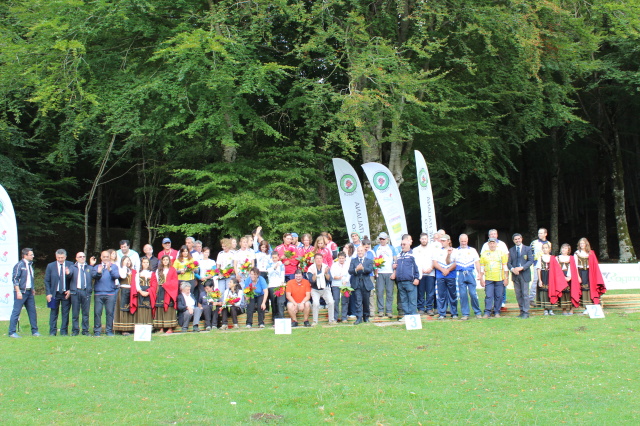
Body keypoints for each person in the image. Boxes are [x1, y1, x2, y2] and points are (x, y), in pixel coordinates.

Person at [8, 248, 40, 338]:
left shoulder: (30, 265)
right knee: (16, 311)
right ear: (25, 255)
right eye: (31, 255)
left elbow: (30, 278)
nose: (33, 256)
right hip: (21, 292)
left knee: (32, 311)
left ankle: (35, 331)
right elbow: (15, 279)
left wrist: (32, 288)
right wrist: (18, 291)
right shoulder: (19, 265)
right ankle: (12, 332)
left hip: (29, 292)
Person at [44, 249, 74, 336]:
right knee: (53, 312)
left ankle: (64, 331)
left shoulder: (70, 265)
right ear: (56, 257)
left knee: (65, 313)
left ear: (65, 257)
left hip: (65, 294)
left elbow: (73, 279)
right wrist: (48, 293)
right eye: (58, 257)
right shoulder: (50, 266)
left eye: (62, 257)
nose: (60, 259)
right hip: (54, 294)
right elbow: (47, 281)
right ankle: (52, 331)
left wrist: (70, 290)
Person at [573, 238, 606, 313]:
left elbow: (594, 265)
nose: (582, 245)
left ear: (586, 244)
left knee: (591, 288)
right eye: (580, 243)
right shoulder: (577, 253)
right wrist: (578, 276)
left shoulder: (590, 253)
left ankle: (592, 305)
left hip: (590, 272)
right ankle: (585, 306)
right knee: (584, 288)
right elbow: (575, 266)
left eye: (583, 243)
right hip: (581, 272)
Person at [391, 238, 420, 322]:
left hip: (410, 281)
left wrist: (417, 278)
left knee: (412, 299)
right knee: (403, 300)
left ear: (409, 244)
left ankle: (413, 315)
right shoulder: (399, 255)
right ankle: (406, 316)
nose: (402, 246)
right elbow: (396, 266)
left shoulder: (413, 255)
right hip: (400, 281)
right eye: (401, 244)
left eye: (404, 244)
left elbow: (418, 266)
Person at [69, 252, 97, 336]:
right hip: (75, 291)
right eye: (80, 257)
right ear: (76, 258)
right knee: (75, 313)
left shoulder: (89, 267)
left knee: (85, 313)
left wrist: (98, 272)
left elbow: (95, 276)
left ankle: (85, 330)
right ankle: (75, 330)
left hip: (86, 292)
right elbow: (68, 276)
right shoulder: (72, 267)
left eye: (83, 256)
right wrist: (67, 273)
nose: (82, 258)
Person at [93, 250, 120, 336]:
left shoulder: (114, 266)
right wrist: (99, 272)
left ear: (110, 257)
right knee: (97, 313)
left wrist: (110, 270)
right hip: (98, 293)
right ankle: (97, 331)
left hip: (110, 293)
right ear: (101, 257)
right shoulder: (97, 267)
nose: (105, 258)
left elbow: (116, 276)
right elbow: (93, 276)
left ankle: (109, 331)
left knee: (109, 313)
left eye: (107, 257)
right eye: (103, 257)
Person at [507, 233, 535, 319]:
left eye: (519, 239)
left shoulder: (528, 249)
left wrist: (522, 268)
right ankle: (521, 311)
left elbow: (530, 261)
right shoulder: (511, 250)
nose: (517, 240)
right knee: (518, 294)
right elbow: (508, 263)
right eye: (515, 239)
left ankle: (526, 312)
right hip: (515, 275)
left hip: (524, 274)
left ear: (521, 239)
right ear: (513, 241)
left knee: (525, 294)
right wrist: (513, 269)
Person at [479, 238, 508, 318]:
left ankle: (497, 312)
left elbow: (505, 267)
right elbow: (482, 267)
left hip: (499, 278)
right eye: (490, 243)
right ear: (488, 244)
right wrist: (481, 278)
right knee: (488, 295)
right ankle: (487, 312)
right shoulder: (484, 254)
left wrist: (506, 278)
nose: (492, 245)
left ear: (496, 244)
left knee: (499, 295)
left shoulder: (501, 253)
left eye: (493, 243)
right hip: (489, 278)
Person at [455, 234, 482, 320]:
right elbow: (450, 261)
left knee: (473, 293)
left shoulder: (472, 250)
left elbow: (477, 262)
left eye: (465, 241)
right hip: (460, 273)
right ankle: (465, 314)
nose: (463, 243)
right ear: (459, 241)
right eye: (462, 241)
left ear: (467, 241)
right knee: (463, 294)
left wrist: (479, 273)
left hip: (470, 273)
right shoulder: (455, 251)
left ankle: (477, 312)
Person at [151, 255, 179, 334]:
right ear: (162, 261)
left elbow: (175, 281)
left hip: (169, 291)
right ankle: (161, 327)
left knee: (169, 308)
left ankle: (170, 327)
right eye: (164, 260)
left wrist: (167, 285)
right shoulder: (158, 270)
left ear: (169, 261)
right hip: (161, 290)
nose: (165, 261)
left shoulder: (172, 270)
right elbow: (156, 281)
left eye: (167, 260)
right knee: (160, 307)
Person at [373, 232, 397, 319]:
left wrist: (394, 272)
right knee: (379, 291)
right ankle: (380, 310)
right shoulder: (376, 248)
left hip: (389, 272)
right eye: (381, 239)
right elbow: (374, 261)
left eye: (383, 239)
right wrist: (375, 272)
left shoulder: (391, 248)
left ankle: (389, 311)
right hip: (380, 273)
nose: (382, 240)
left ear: (387, 239)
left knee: (390, 292)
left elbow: (395, 261)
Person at [433, 235, 458, 320]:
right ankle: (442, 313)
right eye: (441, 241)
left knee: (452, 294)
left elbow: (456, 262)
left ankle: (454, 312)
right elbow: (435, 263)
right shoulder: (437, 251)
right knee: (441, 295)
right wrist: (443, 270)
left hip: (451, 275)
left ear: (448, 241)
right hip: (440, 275)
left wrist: (448, 270)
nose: (442, 242)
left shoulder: (454, 250)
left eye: (444, 241)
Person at [348, 245, 374, 324]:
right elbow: (350, 271)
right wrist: (356, 269)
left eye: (361, 251)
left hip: (366, 284)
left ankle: (366, 317)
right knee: (358, 301)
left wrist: (363, 268)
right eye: (358, 251)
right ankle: (359, 318)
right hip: (356, 283)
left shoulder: (369, 260)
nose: (360, 252)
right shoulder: (353, 261)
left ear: (364, 252)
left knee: (366, 301)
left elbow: (370, 270)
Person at [307, 253, 335, 325]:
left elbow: (329, 279)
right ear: (314, 260)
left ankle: (331, 320)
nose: (319, 260)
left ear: (322, 259)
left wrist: (326, 273)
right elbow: (311, 281)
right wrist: (314, 275)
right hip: (315, 289)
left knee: (331, 302)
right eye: (317, 258)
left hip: (325, 288)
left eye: (320, 258)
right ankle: (315, 321)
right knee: (316, 303)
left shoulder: (326, 267)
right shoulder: (311, 268)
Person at [413, 232, 435, 315]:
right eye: (422, 239)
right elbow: (414, 262)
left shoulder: (432, 249)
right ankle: (421, 308)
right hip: (420, 274)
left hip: (430, 273)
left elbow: (435, 260)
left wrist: (431, 268)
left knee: (430, 292)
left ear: (428, 239)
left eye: (425, 239)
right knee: (420, 292)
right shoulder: (416, 250)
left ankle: (429, 308)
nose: (424, 240)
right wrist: (420, 269)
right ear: (420, 240)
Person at [114, 256, 136, 335]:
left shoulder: (131, 270)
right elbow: (123, 276)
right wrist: (124, 266)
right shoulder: (121, 269)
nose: (128, 262)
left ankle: (130, 327)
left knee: (130, 308)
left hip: (131, 290)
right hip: (123, 289)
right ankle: (123, 328)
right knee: (123, 309)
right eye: (126, 261)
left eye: (129, 261)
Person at [529, 228, 552, 306]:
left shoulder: (549, 243)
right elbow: (530, 253)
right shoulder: (534, 243)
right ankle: (531, 299)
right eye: (539, 233)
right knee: (536, 280)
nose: (540, 235)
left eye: (541, 233)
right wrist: (533, 263)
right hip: (536, 264)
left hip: (546, 265)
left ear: (545, 234)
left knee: (545, 281)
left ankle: (544, 298)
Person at [330, 251, 351, 322]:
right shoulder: (334, 265)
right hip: (336, 284)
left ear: (345, 258)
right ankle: (335, 317)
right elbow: (332, 274)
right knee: (336, 301)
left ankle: (344, 317)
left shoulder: (348, 265)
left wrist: (346, 280)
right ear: (338, 258)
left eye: (342, 258)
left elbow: (349, 274)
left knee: (345, 301)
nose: (341, 259)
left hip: (345, 285)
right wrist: (336, 277)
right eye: (340, 258)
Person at [133, 257, 154, 325]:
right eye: (144, 262)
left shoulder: (152, 273)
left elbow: (154, 284)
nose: (145, 264)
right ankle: (140, 324)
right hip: (140, 291)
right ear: (141, 263)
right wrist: (140, 291)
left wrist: (148, 292)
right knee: (140, 307)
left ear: (149, 264)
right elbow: (136, 283)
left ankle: (148, 324)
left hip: (149, 291)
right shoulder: (138, 273)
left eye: (147, 262)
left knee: (148, 307)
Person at [267, 251, 286, 325]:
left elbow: (282, 274)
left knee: (280, 303)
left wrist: (282, 283)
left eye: (276, 257)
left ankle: (281, 318)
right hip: (272, 285)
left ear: (278, 257)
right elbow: (269, 272)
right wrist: (274, 267)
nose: (274, 259)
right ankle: (274, 319)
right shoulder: (269, 264)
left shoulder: (281, 265)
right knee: (273, 303)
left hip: (279, 285)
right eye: (273, 258)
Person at [557, 244, 574, 315]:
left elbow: (573, 268)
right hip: (561, 276)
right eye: (563, 248)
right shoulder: (557, 258)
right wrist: (562, 277)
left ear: (568, 250)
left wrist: (569, 277)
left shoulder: (571, 258)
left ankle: (571, 309)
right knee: (563, 292)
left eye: (566, 248)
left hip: (570, 276)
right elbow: (557, 269)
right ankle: (564, 309)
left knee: (571, 292)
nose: (564, 249)